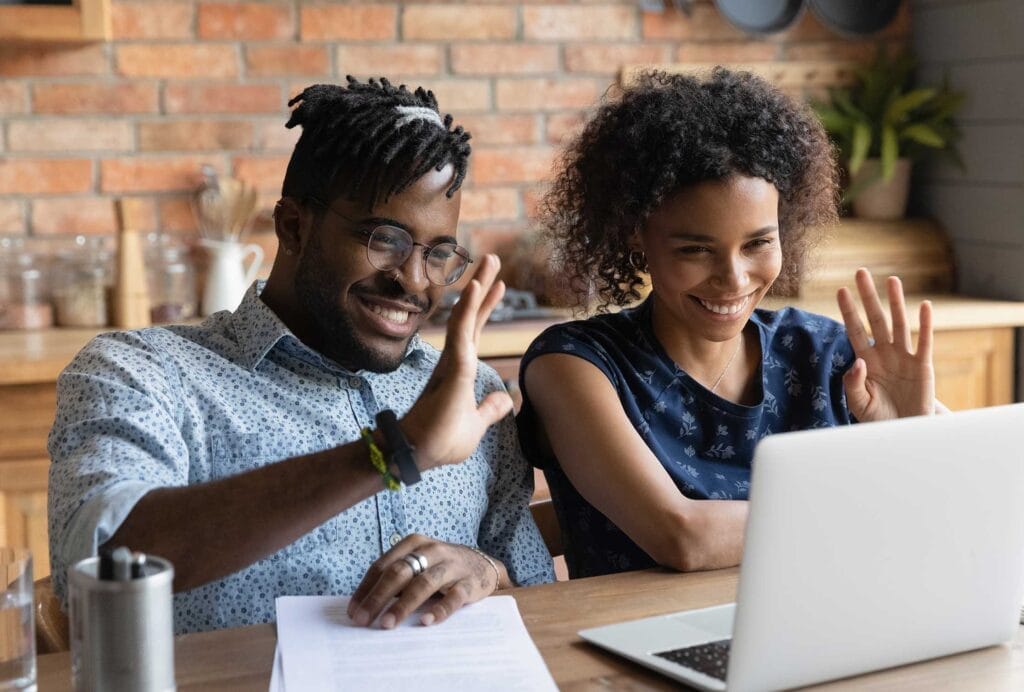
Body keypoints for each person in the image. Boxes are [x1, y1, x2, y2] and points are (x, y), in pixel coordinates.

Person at [48, 77, 555, 634]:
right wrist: (392, 451)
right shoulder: (145, 373)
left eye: (438, 254)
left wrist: (484, 570)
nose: (413, 281)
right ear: (293, 226)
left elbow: (533, 591)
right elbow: (98, 566)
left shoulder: (470, 393)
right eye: (384, 239)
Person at [517, 68, 939, 580]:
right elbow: (684, 536)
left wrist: (917, 440)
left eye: (758, 243)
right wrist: (885, 493)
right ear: (635, 236)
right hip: (634, 641)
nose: (733, 279)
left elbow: (965, 502)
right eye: (695, 249)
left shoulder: (825, 353)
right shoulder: (577, 365)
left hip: (820, 629)